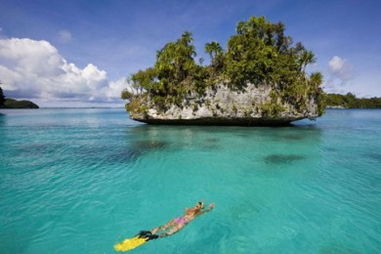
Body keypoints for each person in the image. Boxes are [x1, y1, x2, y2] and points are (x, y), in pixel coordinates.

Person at [149, 201, 215, 238]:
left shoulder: (190, 209)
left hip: (178, 219)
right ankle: (155, 236)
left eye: (197, 205)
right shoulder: (197, 213)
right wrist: (210, 207)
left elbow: (205, 209)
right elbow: (206, 210)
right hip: (182, 222)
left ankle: (150, 232)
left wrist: (208, 206)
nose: (196, 206)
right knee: (170, 232)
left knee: (163, 227)